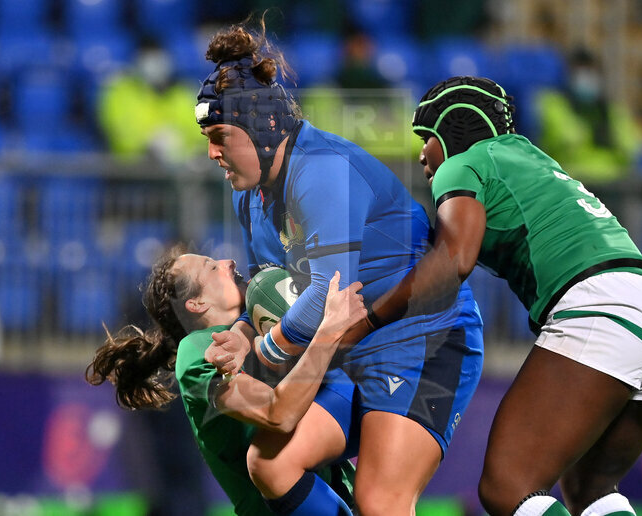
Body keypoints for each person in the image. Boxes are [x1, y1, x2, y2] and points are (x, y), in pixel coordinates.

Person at [361, 75, 642, 516]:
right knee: (591, 488)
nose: (422, 153)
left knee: (508, 486)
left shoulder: (465, 162)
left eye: (426, 137)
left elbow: (454, 261)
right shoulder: (532, 157)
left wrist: (367, 319)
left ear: (454, 129)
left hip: (603, 306)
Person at [196, 21, 485, 515]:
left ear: (264, 129)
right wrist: (245, 331)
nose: (211, 152)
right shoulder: (252, 196)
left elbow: (329, 295)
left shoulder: (322, 169)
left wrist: (263, 348)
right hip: (346, 348)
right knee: (270, 465)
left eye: (221, 135)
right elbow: (274, 289)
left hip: (420, 340)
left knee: (380, 502)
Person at [86, 246, 366, 515]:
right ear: (197, 304)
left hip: (333, 492)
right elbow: (278, 413)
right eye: (212, 266)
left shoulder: (262, 326)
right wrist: (328, 332)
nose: (229, 262)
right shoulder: (197, 352)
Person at [534, 47, 642, 184]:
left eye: (591, 72)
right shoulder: (553, 103)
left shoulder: (610, 110)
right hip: (571, 181)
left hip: (614, 184)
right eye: (580, 72)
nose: (586, 78)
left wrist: (610, 133)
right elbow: (564, 140)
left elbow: (632, 147)